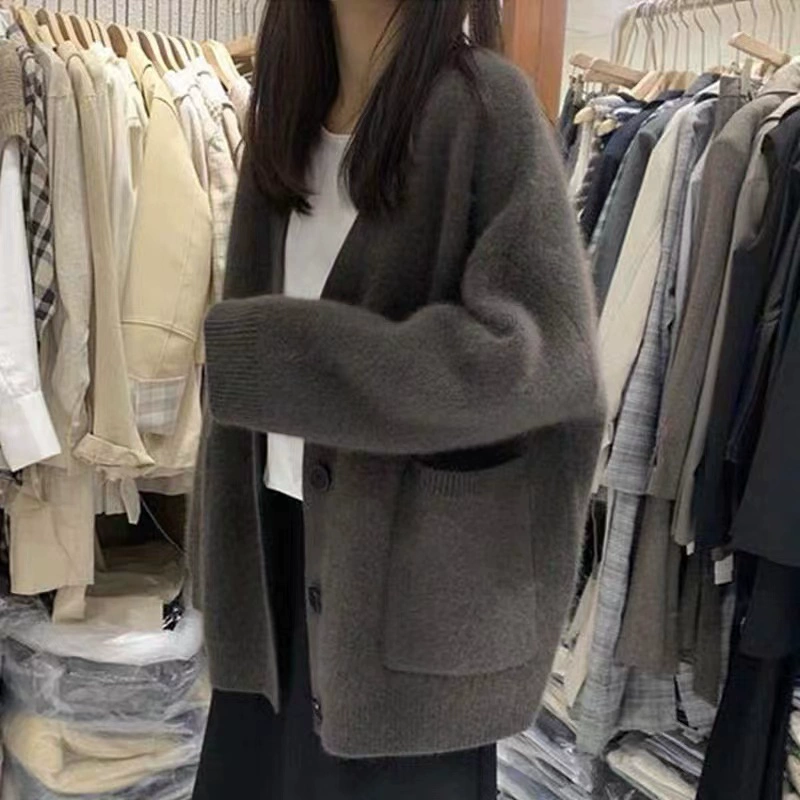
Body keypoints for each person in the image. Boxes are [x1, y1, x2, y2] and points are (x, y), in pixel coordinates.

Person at [189, 1, 605, 798]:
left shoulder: (487, 108)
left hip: (408, 605)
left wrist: (290, 362)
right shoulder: (283, 115)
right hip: (273, 579)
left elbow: (548, 363)